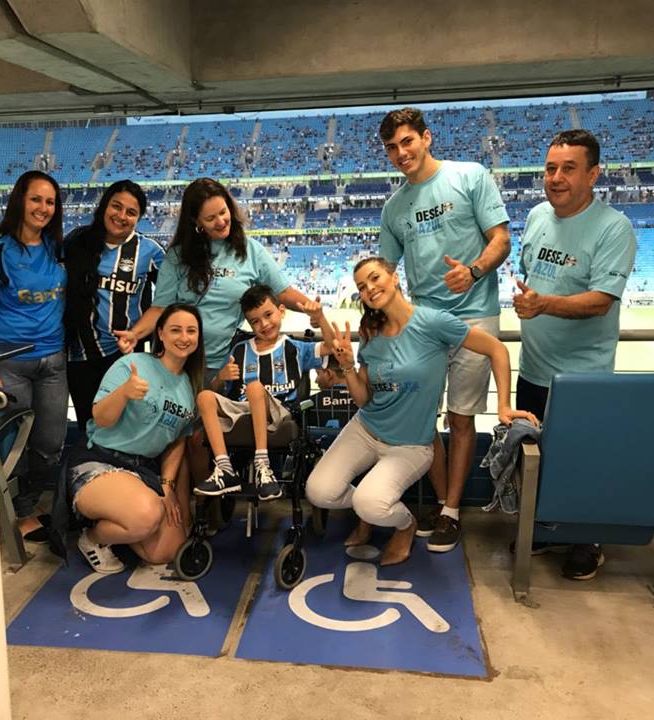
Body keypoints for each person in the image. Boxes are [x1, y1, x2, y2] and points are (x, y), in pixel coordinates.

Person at [305, 257, 535, 566]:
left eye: (375, 278)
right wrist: (348, 367)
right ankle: (368, 510)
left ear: (394, 277)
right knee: (319, 492)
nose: (370, 288)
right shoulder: (370, 330)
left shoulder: (432, 322)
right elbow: (363, 399)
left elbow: (496, 349)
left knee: (370, 502)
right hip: (366, 429)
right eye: (362, 286)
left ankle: (403, 524)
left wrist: (504, 405)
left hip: (411, 444)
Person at [377, 107, 512, 553]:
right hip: (424, 322)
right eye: (392, 148)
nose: (401, 153)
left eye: (407, 142)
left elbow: (501, 239)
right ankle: (438, 502)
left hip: (475, 313)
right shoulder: (394, 208)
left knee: (462, 416)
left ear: (426, 138)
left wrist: (473, 271)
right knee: (422, 420)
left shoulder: (470, 176)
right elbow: (385, 272)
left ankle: (452, 511)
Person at [115, 177, 312, 482]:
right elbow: (160, 308)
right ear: (196, 222)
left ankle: (216, 492)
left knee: (208, 435)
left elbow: (282, 291)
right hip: (182, 366)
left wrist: (313, 308)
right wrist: (135, 333)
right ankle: (196, 502)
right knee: (185, 439)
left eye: (224, 212)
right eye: (211, 217)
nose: (221, 221)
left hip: (226, 365)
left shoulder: (250, 250)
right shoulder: (180, 257)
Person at [512, 129, 637, 581]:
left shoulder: (613, 227)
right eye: (550, 168)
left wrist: (542, 304)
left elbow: (601, 300)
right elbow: (532, 277)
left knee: (584, 460)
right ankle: (545, 527)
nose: (556, 177)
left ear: (593, 174)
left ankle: (587, 540)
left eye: (568, 168)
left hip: (585, 376)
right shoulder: (536, 217)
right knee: (536, 456)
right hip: (534, 369)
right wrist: (533, 301)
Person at [0, 170, 68, 541]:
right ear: (20, 201)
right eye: (36, 199)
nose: (43, 208)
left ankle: (30, 507)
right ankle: (11, 516)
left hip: (53, 360)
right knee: (13, 445)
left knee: (50, 442)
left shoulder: (57, 248)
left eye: (50, 202)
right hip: (9, 362)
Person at [69, 304, 203, 572]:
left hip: (141, 470)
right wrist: (124, 393)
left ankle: (119, 519)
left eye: (191, 331)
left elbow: (177, 442)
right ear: (161, 334)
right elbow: (101, 418)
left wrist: (166, 486)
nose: (184, 337)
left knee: (165, 552)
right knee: (146, 516)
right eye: (175, 330)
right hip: (98, 461)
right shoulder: (134, 365)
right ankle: (92, 538)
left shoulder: (190, 386)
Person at [193, 285, 329, 501]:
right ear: (249, 323)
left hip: (279, 411)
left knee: (255, 388)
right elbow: (220, 391)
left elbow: (333, 347)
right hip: (245, 408)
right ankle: (224, 468)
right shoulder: (239, 350)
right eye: (255, 321)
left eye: (268, 315)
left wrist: (320, 318)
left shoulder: (295, 348)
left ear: (281, 311)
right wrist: (221, 378)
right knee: (204, 396)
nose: (264, 324)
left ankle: (262, 463)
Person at [63, 180, 164, 432]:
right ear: (104, 205)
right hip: (80, 357)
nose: (121, 216)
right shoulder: (77, 241)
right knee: (90, 426)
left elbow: (165, 303)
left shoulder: (150, 252)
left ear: (139, 218)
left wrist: (136, 333)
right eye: (116, 206)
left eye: (131, 212)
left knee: (126, 428)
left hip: (125, 358)